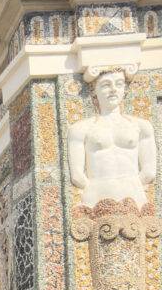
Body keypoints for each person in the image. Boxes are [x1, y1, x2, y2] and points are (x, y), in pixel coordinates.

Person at [67, 67, 156, 210]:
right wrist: (99, 186)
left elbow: (149, 171)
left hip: (134, 196)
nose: (113, 89)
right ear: (94, 90)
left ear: (125, 89)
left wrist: (130, 184)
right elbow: (77, 175)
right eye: (106, 85)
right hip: (95, 196)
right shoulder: (81, 129)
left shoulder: (141, 126)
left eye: (119, 84)